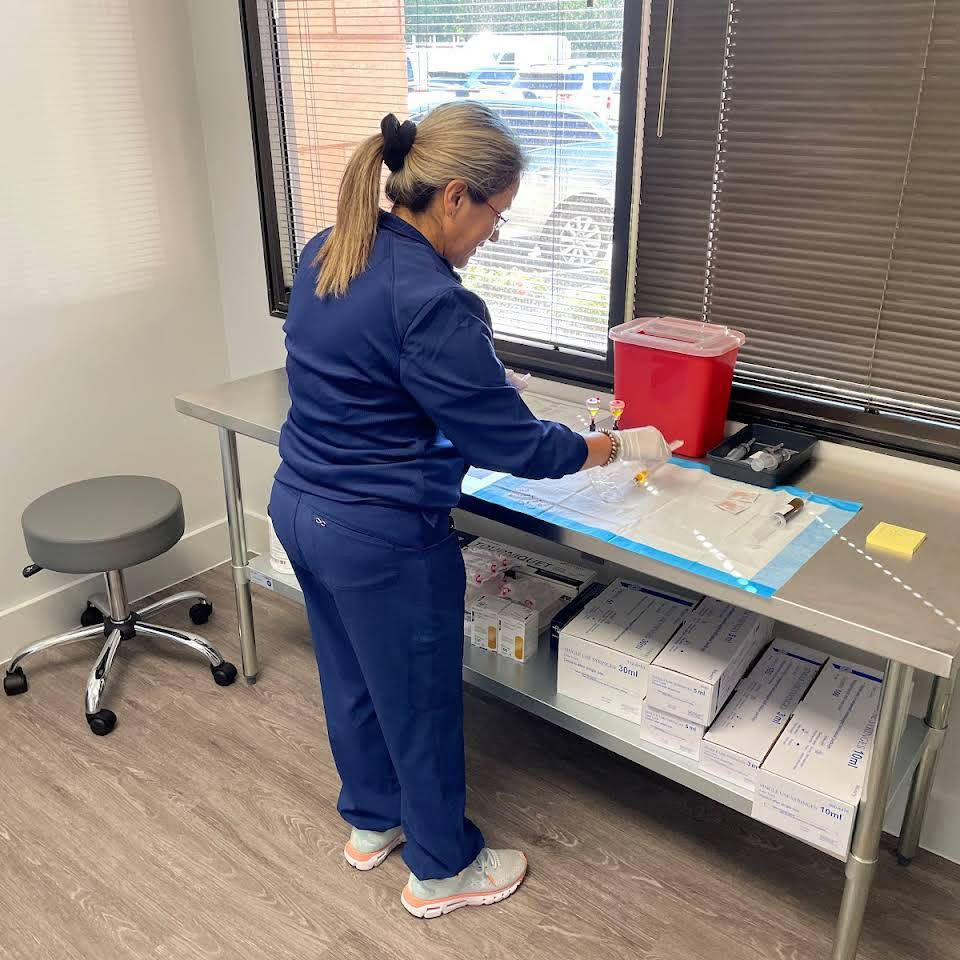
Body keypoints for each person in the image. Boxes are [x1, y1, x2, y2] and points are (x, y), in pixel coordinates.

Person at [269, 103, 671, 919]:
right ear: (456, 196)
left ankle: (372, 820)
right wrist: (610, 447)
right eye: (497, 214)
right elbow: (513, 445)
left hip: (301, 506)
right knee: (417, 701)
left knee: (352, 679)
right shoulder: (432, 299)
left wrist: (467, 388)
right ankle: (444, 868)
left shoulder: (331, 247)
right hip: (378, 536)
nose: (494, 233)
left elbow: (364, 373)